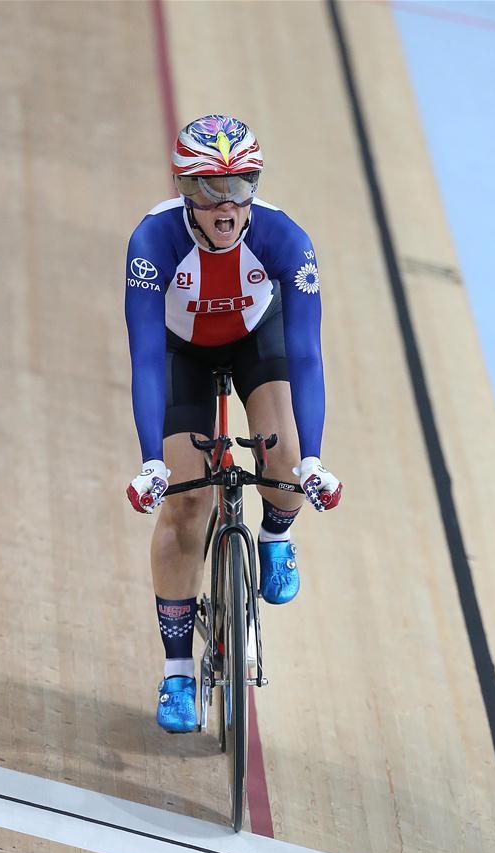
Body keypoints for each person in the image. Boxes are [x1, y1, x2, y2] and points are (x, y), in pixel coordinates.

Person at [125, 114, 342, 734]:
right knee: (186, 505)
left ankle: (275, 534)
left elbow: (305, 354)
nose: (228, 204)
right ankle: (176, 673)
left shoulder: (286, 240)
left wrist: (315, 462)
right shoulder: (153, 242)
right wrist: (151, 463)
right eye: (212, 189)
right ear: (184, 188)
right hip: (180, 353)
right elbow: (144, 355)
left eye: (241, 184)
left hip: (256, 341)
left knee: (285, 459)